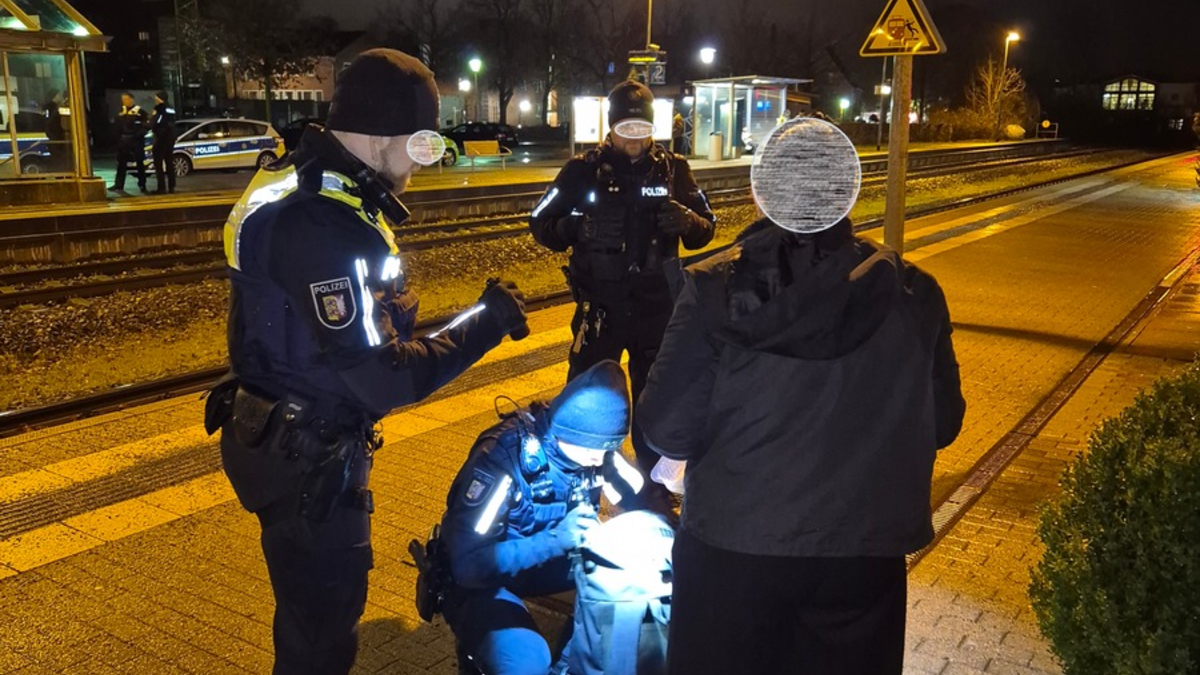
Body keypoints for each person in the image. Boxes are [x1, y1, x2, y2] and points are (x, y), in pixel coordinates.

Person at [203, 49, 530, 675]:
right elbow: (383, 376)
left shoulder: (300, 183)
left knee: (303, 616)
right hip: (307, 458)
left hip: (275, 432)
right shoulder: (325, 224)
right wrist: (485, 323)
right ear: (386, 133)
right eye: (422, 142)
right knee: (322, 634)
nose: (421, 161)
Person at [639, 117, 966, 675]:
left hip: (732, 550)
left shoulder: (714, 289)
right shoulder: (913, 291)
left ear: (758, 191)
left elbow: (667, 428)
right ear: (848, 192)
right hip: (863, 557)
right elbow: (945, 424)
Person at [528, 80, 715, 477]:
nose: (634, 139)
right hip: (600, 309)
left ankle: (655, 488)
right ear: (610, 128)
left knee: (658, 403)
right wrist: (576, 228)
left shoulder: (674, 170)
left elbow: (707, 229)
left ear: (654, 128)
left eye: (642, 129)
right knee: (587, 402)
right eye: (625, 129)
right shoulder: (582, 171)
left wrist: (687, 219)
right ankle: (579, 482)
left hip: (657, 311)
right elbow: (539, 222)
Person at [435, 360, 646, 675]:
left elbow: (640, 499)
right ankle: (479, 654)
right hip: (483, 578)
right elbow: (467, 565)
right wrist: (556, 539)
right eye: (594, 450)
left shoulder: (594, 447)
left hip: (543, 564)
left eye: (609, 448)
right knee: (526, 662)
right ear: (567, 429)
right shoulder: (501, 460)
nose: (600, 460)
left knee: (629, 587)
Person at [109, 92, 148, 194]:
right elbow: (116, 127)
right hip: (123, 142)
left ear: (132, 99)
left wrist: (137, 136)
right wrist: (117, 140)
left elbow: (145, 127)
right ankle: (118, 185)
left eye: (126, 99)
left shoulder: (140, 112)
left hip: (136, 142)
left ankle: (142, 184)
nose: (124, 101)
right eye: (123, 100)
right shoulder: (121, 112)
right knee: (121, 164)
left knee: (140, 164)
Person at [150, 91, 178, 194]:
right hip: (170, 139)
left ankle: (161, 188)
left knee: (158, 163)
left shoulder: (159, 109)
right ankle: (172, 186)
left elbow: (155, 123)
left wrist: (152, 119)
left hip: (161, 139)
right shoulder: (170, 108)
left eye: (156, 97)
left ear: (159, 98)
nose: (155, 99)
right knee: (169, 162)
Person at [42, 90, 67, 171]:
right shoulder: (56, 108)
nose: (60, 97)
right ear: (55, 96)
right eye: (59, 95)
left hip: (50, 134)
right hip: (56, 135)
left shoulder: (46, 107)